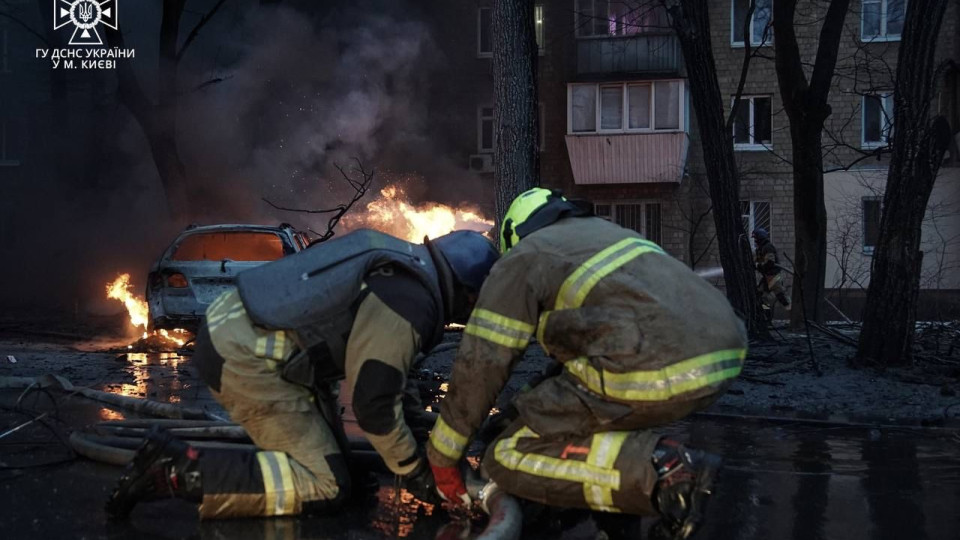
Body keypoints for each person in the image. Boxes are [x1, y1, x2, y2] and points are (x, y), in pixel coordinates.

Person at [106, 228, 499, 520]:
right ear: (467, 291)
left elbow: (397, 379)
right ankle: (175, 469)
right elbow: (374, 403)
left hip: (250, 339)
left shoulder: (403, 265)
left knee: (344, 476)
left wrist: (421, 449)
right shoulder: (410, 300)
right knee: (326, 484)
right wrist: (416, 474)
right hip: (249, 359)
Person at [426, 188, 748, 540]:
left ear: (512, 235)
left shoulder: (525, 256)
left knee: (506, 453)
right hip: (725, 350)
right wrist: (516, 412)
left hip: (653, 362)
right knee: (588, 428)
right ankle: (617, 522)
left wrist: (443, 454)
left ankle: (664, 473)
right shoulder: (608, 234)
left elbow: (482, 363)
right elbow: (574, 369)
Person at [751, 227, 791, 312]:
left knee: (781, 296)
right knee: (761, 296)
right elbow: (757, 261)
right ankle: (766, 314)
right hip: (767, 276)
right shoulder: (760, 249)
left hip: (774, 276)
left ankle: (793, 311)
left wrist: (758, 266)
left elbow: (770, 263)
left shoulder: (767, 247)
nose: (755, 241)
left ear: (760, 238)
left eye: (755, 238)